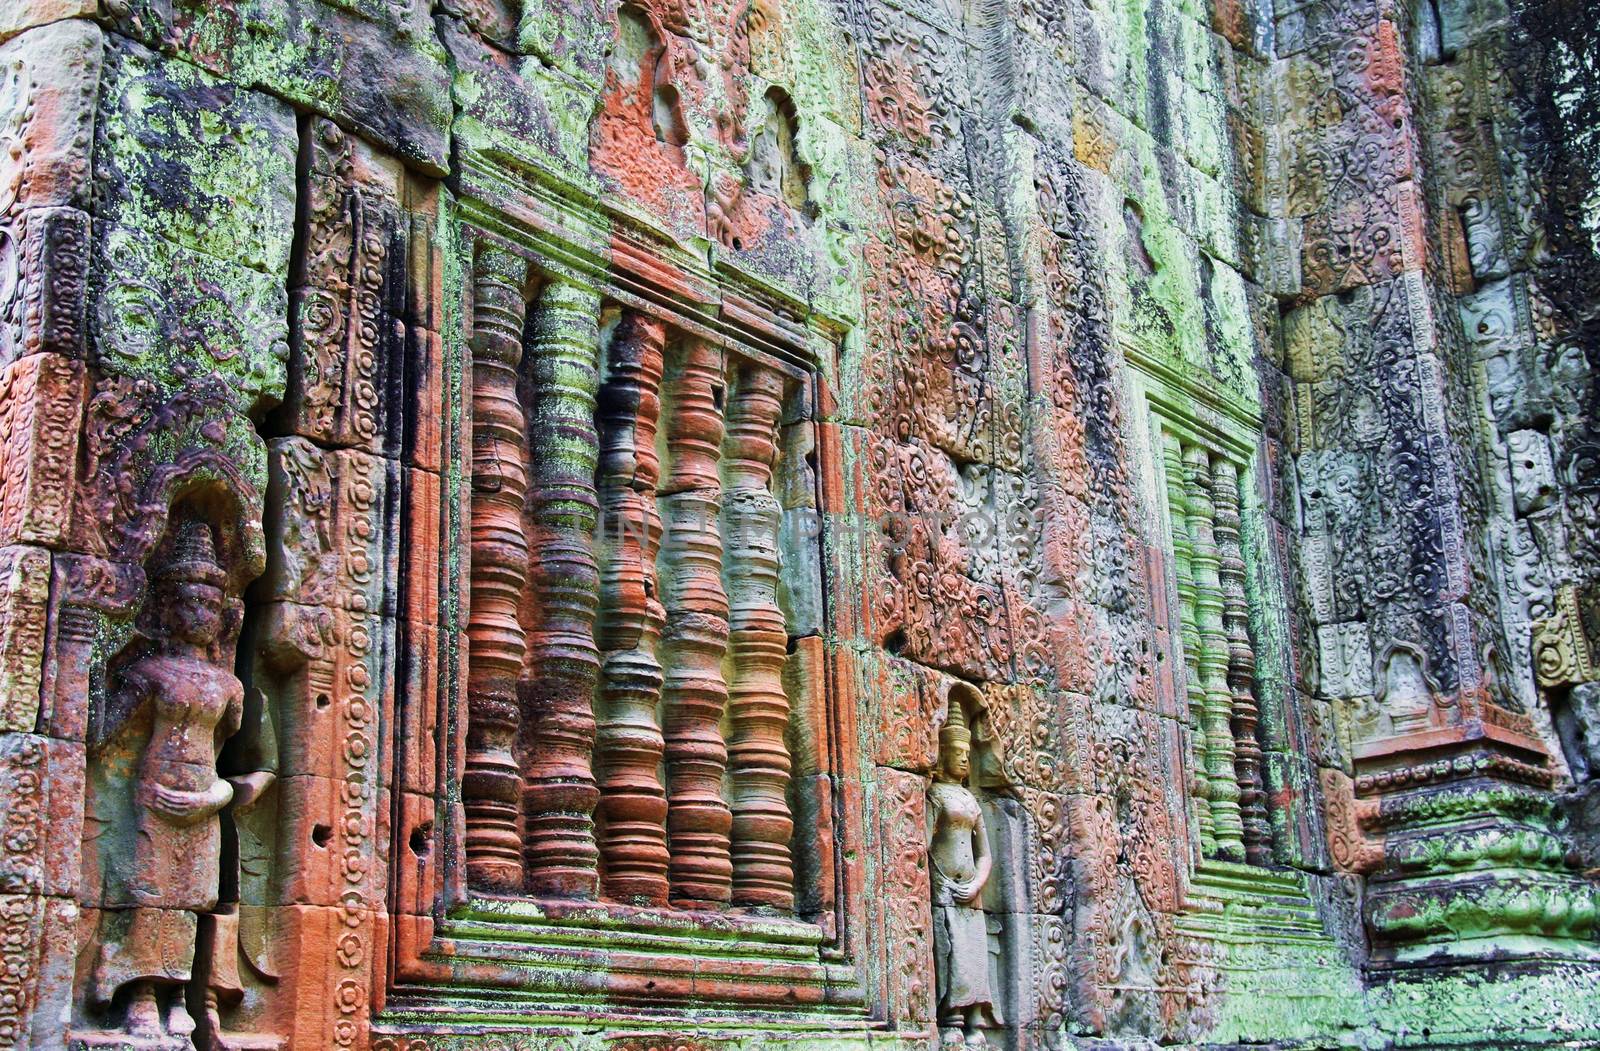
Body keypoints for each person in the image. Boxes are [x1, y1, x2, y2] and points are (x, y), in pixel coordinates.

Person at [928, 700, 997, 1048]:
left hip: (971, 892)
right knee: (951, 952)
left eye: (967, 752)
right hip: (944, 887)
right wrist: (941, 880)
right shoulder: (936, 796)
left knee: (973, 954)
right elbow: (923, 844)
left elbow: (985, 854)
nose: (964, 758)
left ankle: (976, 1021)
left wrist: (977, 884)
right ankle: (951, 1019)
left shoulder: (970, 800)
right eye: (957, 751)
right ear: (942, 753)